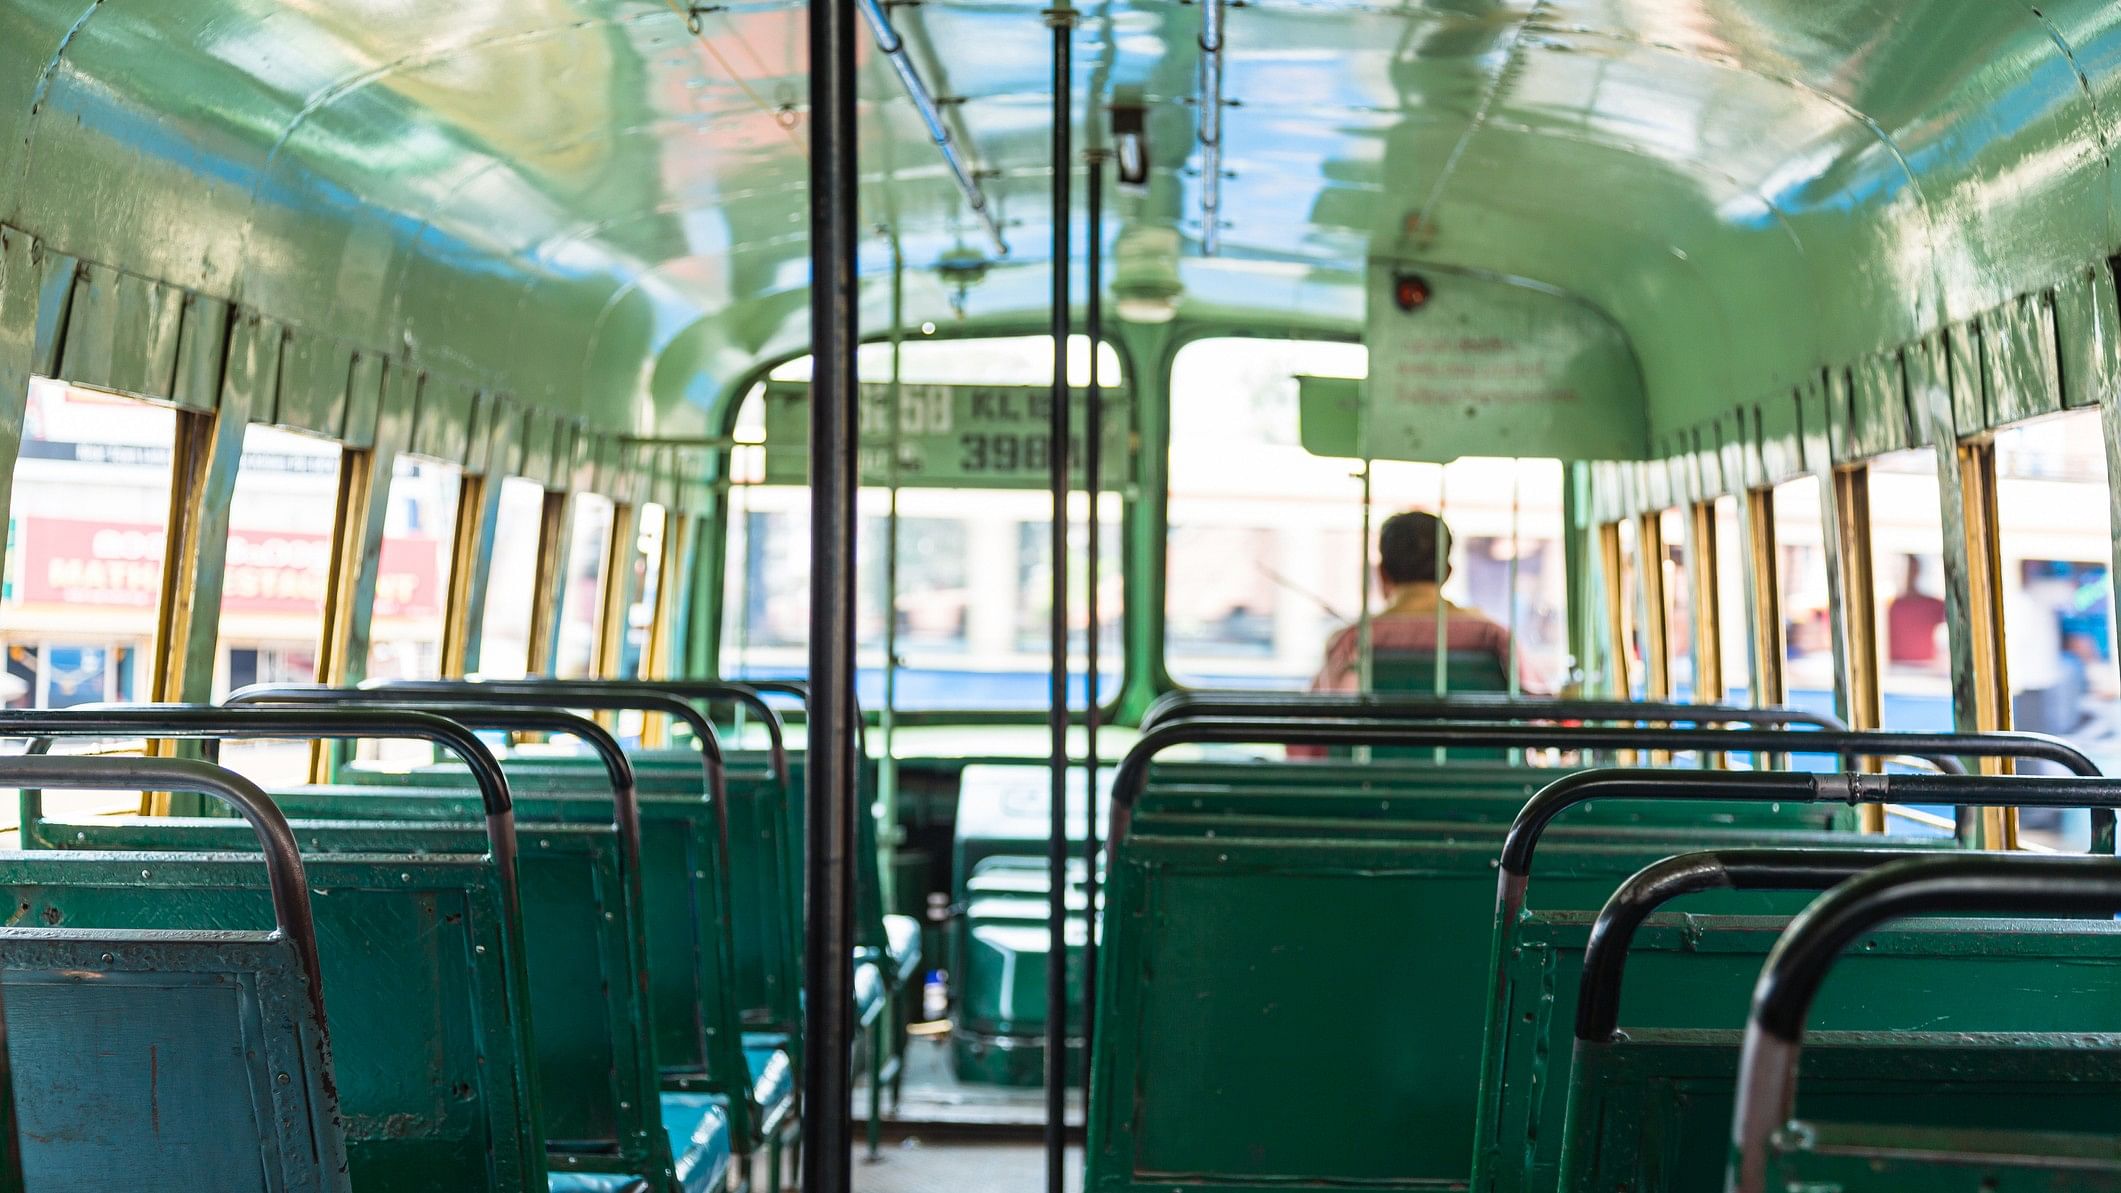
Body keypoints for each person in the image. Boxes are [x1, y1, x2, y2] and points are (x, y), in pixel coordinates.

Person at [1309, 510, 1541, 694]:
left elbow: (1313, 737)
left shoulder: (1351, 642)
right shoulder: (1494, 636)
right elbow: (1537, 706)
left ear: (1382, 573)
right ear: (1448, 572)